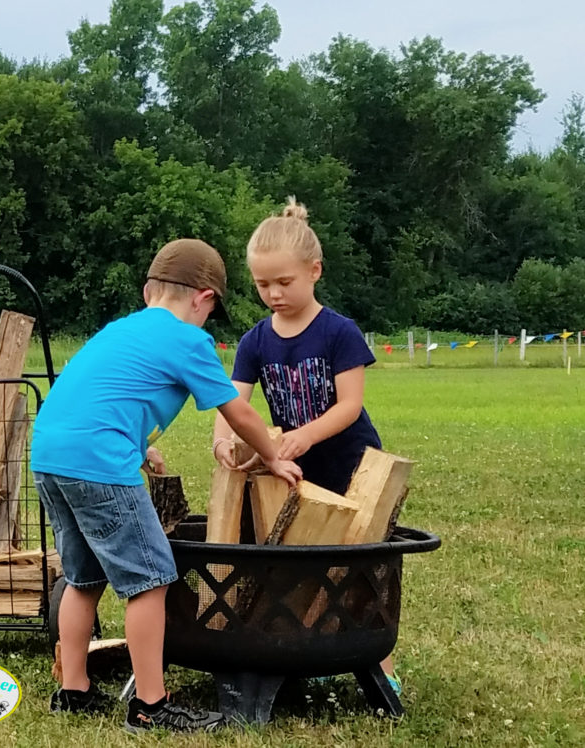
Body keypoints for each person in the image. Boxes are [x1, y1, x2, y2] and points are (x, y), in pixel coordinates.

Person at [31, 238, 303, 733]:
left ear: (148, 291)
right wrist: (271, 455)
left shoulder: (120, 330)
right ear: (203, 298)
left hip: (50, 456)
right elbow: (236, 410)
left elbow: (101, 398)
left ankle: (73, 690)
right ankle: (151, 706)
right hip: (99, 465)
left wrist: (139, 448)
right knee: (152, 577)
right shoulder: (187, 338)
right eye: (210, 310)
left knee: (83, 578)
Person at [211, 197, 400, 694]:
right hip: (292, 468)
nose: (273, 293)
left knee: (362, 567)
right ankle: (292, 650)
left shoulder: (339, 332)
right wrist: (223, 438)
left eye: (284, 282)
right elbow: (232, 402)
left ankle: (382, 665)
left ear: (314, 271)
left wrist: (304, 434)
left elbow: (350, 406)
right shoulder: (254, 342)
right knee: (293, 562)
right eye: (262, 284)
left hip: (350, 463)